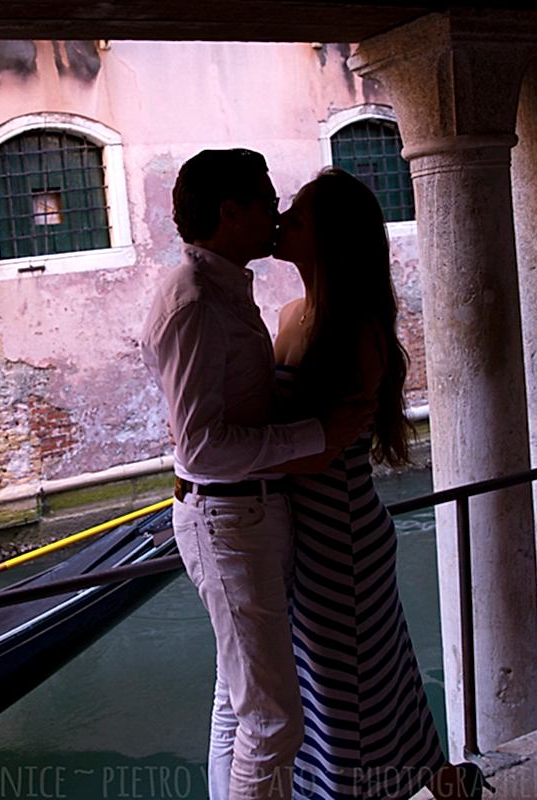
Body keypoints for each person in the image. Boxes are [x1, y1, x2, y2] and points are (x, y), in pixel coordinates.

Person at [141, 149, 372, 800]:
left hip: (244, 513)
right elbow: (203, 448)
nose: (276, 214)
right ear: (231, 212)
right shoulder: (193, 300)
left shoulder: (220, 287)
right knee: (273, 722)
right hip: (228, 517)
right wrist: (320, 436)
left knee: (235, 703)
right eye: (268, 202)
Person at [272, 167, 493, 800]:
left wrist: (223, 467)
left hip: (342, 539)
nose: (284, 218)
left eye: (301, 214)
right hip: (308, 539)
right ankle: (450, 785)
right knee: (370, 682)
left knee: (353, 701)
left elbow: (314, 457)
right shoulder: (289, 316)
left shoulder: (357, 334)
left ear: (331, 237)